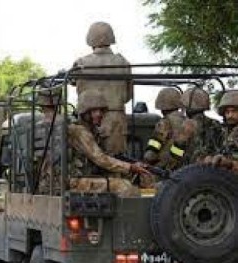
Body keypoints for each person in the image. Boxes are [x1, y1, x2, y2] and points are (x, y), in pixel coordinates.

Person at [40, 90, 149, 197]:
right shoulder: (79, 131)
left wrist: (130, 168)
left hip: (77, 179)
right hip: (69, 182)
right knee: (123, 186)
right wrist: (130, 167)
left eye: (102, 111)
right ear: (85, 112)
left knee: (125, 179)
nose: (100, 114)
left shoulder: (91, 131)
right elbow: (100, 158)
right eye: (95, 111)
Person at [73, 21, 132, 155]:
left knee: (87, 161)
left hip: (87, 119)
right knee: (117, 162)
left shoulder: (81, 63)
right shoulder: (123, 62)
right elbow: (128, 96)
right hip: (116, 119)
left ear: (90, 39)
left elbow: (76, 89)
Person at [166, 87, 222, 170]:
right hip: (214, 171)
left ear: (188, 106)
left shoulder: (187, 125)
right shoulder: (216, 124)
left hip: (191, 172)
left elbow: (176, 153)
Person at [144, 87, 184, 168]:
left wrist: (146, 160)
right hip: (184, 167)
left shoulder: (164, 123)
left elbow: (153, 150)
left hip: (165, 168)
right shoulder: (187, 121)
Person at [203, 91, 238, 170]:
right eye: (227, 112)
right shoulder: (219, 132)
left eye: (234, 111)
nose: (230, 115)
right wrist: (207, 158)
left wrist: (230, 164)